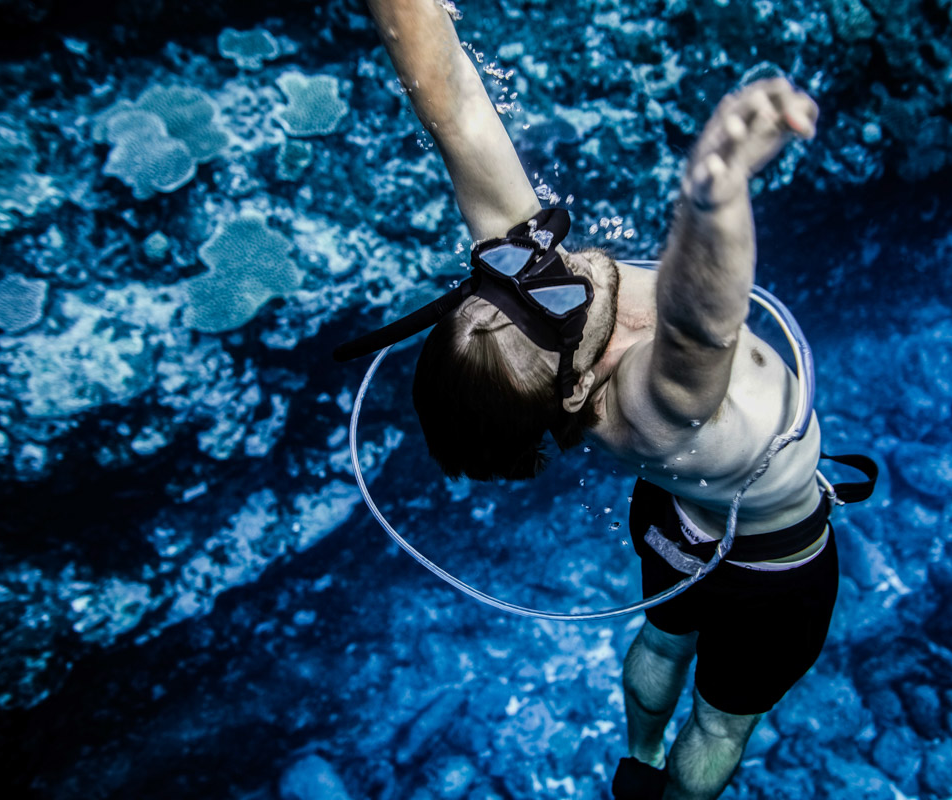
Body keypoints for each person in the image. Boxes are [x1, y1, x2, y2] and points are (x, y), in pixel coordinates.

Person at [345, 2, 860, 798]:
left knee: (663, 639)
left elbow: (455, 110)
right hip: (769, 560)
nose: (552, 271)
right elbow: (700, 326)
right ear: (580, 387)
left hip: (672, 518)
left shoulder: (530, 296)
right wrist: (711, 200)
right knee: (721, 722)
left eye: (504, 281)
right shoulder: (647, 410)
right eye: (550, 306)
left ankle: (640, 762)